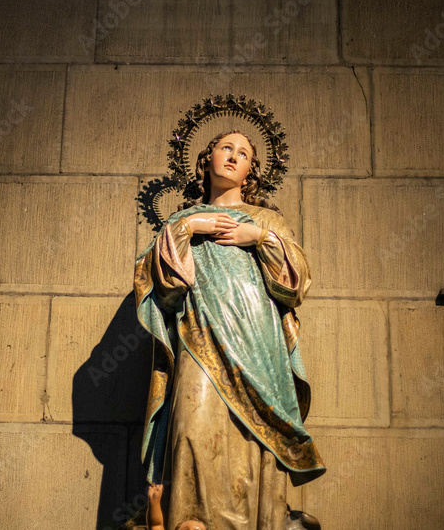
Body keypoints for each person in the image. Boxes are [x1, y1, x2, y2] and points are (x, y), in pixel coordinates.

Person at [134, 129, 325, 530]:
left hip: (258, 344)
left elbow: (297, 281)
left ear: (250, 171)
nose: (234, 157)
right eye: (226, 148)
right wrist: (190, 229)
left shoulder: (267, 220)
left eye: (244, 154)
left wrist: (258, 237)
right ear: (207, 159)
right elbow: (162, 291)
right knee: (191, 430)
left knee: (249, 448)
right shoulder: (181, 222)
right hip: (199, 340)